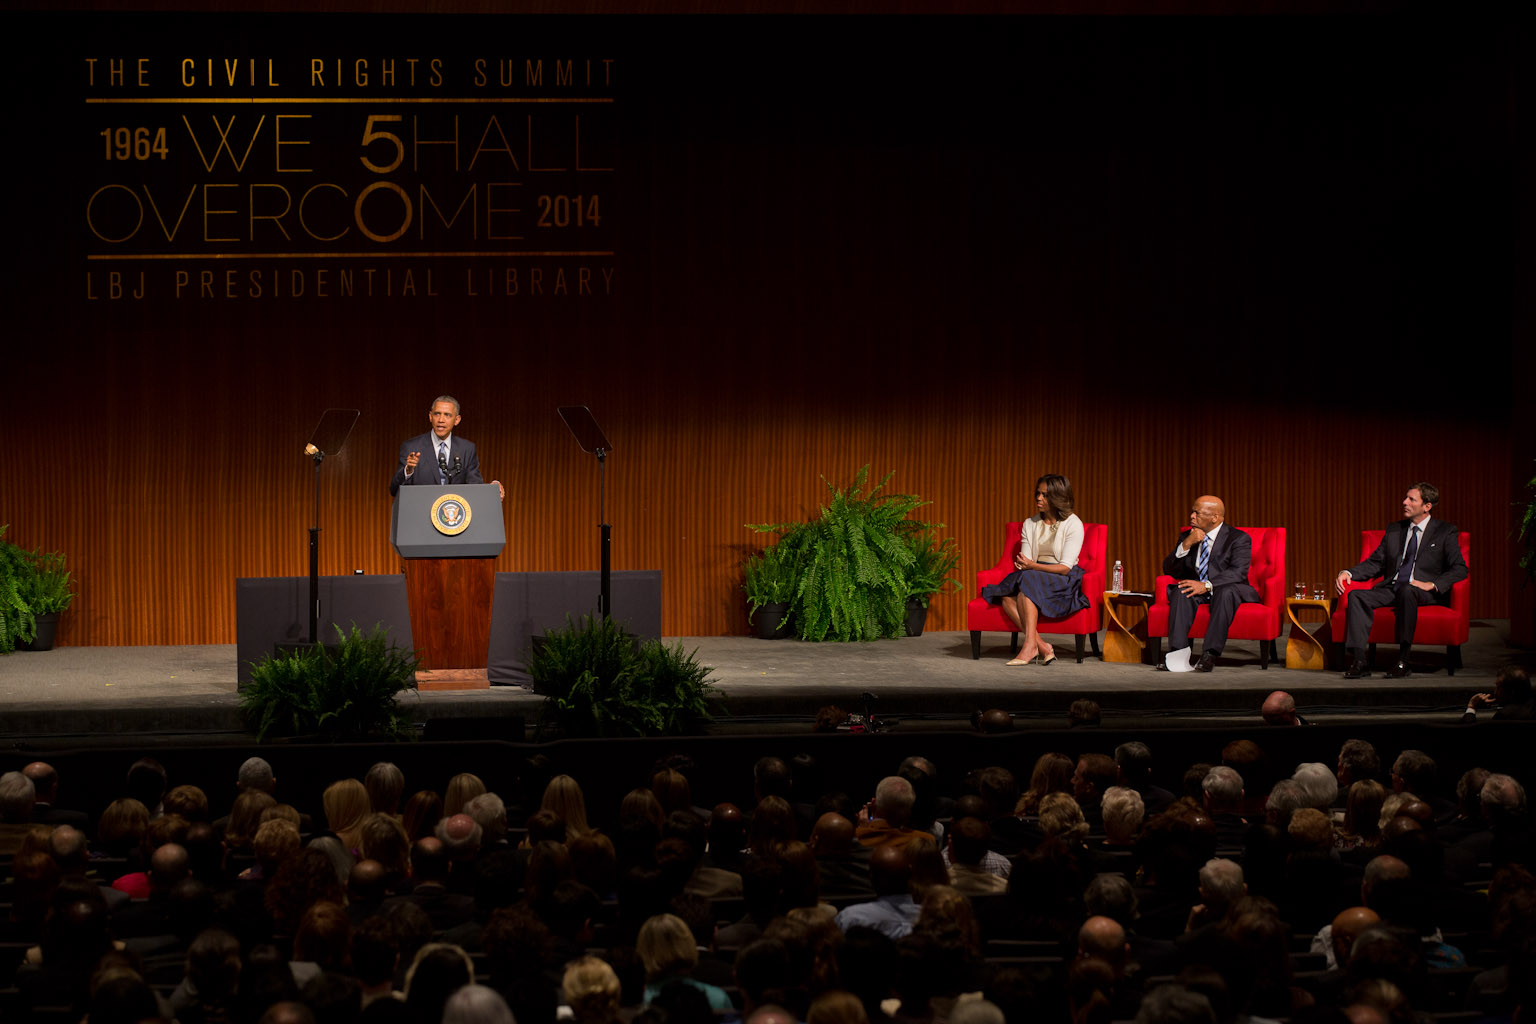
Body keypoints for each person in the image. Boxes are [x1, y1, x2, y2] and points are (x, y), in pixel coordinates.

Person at [1335, 482, 1467, 679]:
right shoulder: (1395, 530)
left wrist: (1432, 584)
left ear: (1427, 506)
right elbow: (1375, 562)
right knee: (1357, 596)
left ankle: (1404, 660)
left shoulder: (1445, 531)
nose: (1404, 502)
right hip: (1393, 587)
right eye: (1406, 498)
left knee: (1407, 590)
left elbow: (1460, 568)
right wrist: (1349, 573)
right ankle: (1360, 660)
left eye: (1411, 499)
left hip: (1421, 591)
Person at [979, 473, 1089, 666]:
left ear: (1057, 497)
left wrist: (1031, 566)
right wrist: (1027, 565)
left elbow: (1065, 567)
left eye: (1045, 495)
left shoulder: (1073, 524)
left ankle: (1032, 646)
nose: (1039, 498)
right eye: (1038, 493)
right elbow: (1026, 559)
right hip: (1034, 575)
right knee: (1009, 596)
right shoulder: (1030, 524)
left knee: (1023, 582)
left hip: (1063, 579)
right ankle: (1039, 646)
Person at [1158, 494, 1260, 673]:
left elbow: (1238, 572)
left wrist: (1206, 585)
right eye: (1192, 512)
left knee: (1225, 592)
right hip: (1199, 590)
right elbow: (1169, 569)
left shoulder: (1238, 538)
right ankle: (1177, 655)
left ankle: (1209, 655)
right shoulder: (1188, 535)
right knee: (1181, 590)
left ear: (1215, 517)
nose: (1191, 516)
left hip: (1229, 589)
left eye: (1197, 513)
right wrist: (1186, 544)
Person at [388, 395, 503, 500]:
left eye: (447, 415)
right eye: (437, 414)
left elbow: (475, 486)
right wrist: (407, 471)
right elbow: (394, 489)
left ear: (457, 420)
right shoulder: (411, 447)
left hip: (455, 517)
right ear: (430, 416)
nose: (441, 420)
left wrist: (492, 489)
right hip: (421, 514)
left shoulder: (467, 449)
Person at [1463, 665, 1534, 722]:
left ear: (1512, 692)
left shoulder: (1504, 715)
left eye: (1498, 687)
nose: (1495, 692)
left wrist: (1471, 707)